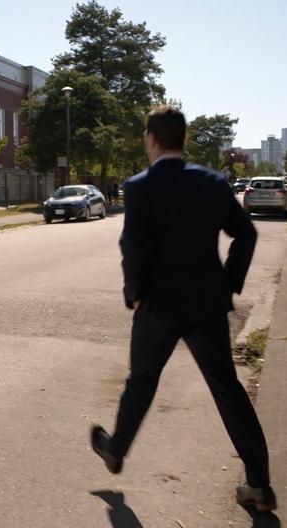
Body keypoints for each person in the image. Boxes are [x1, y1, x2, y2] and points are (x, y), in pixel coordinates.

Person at [89, 106, 276, 512]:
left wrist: (133, 293)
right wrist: (228, 284)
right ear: (185, 139)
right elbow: (245, 234)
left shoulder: (139, 187)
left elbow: (132, 246)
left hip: (157, 304)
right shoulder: (212, 182)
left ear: (151, 139)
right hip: (206, 304)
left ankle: (117, 449)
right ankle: (259, 483)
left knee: (141, 381)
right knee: (226, 387)